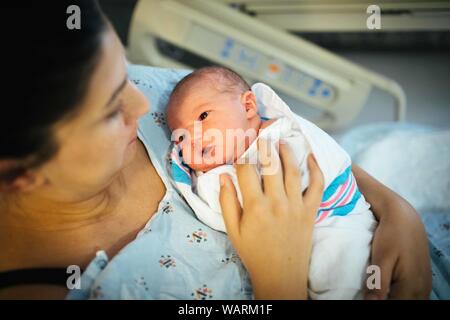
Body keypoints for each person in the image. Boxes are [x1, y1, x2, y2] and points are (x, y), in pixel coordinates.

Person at [0, 1, 431, 299]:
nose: (144, 103)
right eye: (112, 110)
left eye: (126, 75)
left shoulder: (119, 83)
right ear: (22, 172)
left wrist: (394, 209)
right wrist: (277, 280)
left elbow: (282, 137)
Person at [166, 66, 376, 299]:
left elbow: (325, 163)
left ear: (248, 106)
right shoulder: (215, 179)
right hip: (287, 255)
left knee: (346, 274)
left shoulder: (285, 131)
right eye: (182, 138)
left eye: (203, 116)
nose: (193, 137)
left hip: (338, 219)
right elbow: (227, 213)